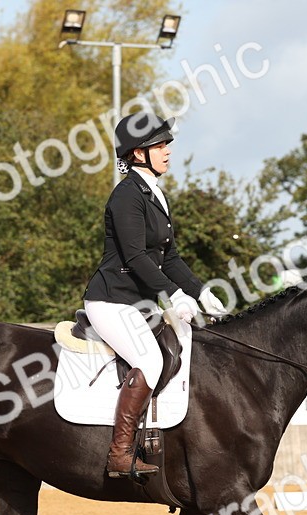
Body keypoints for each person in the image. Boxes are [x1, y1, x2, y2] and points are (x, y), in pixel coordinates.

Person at [82, 112, 226, 479]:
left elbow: (170, 257)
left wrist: (200, 292)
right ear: (137, 153)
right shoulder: (126, 196)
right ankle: (119, 453)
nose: (167, 151)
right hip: (111, 300)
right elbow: (135, 257)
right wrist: (173, 295)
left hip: (139, 302)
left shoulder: (154, 194)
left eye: (166, 144)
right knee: (149, 360)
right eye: (159, 145)